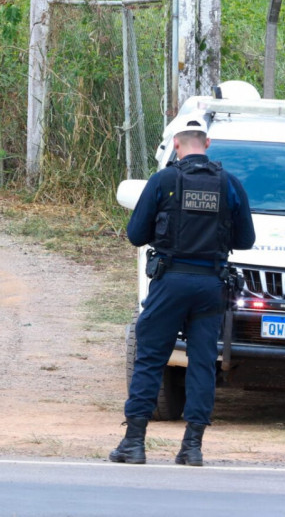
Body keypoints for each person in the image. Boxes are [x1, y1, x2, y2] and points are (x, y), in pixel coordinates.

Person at [109, 113, 256, 467]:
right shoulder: (229, 184)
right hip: (209, 287)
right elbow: (246, 240)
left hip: (170, 283)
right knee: (202, 364)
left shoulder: (164, 180)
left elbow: (135, 235)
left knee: (150, 360)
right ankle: (192, 448)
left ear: (176, 144)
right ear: (207, 145)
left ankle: (134, 443)